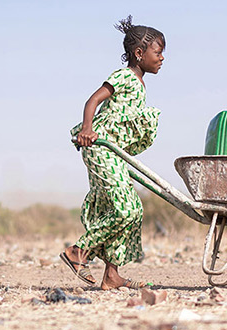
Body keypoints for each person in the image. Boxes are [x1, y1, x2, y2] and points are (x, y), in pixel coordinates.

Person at [62, 15, 165, 290]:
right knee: (125, 210)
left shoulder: (140, 84)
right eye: (158, 52)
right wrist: (87, 128)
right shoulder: (123, 76)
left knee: (129, 210)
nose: (162, 58)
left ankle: (112, 274)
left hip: (114, 153)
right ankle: (78, 252)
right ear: (139, 53)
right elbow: (93, 100)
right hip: (100, 148)